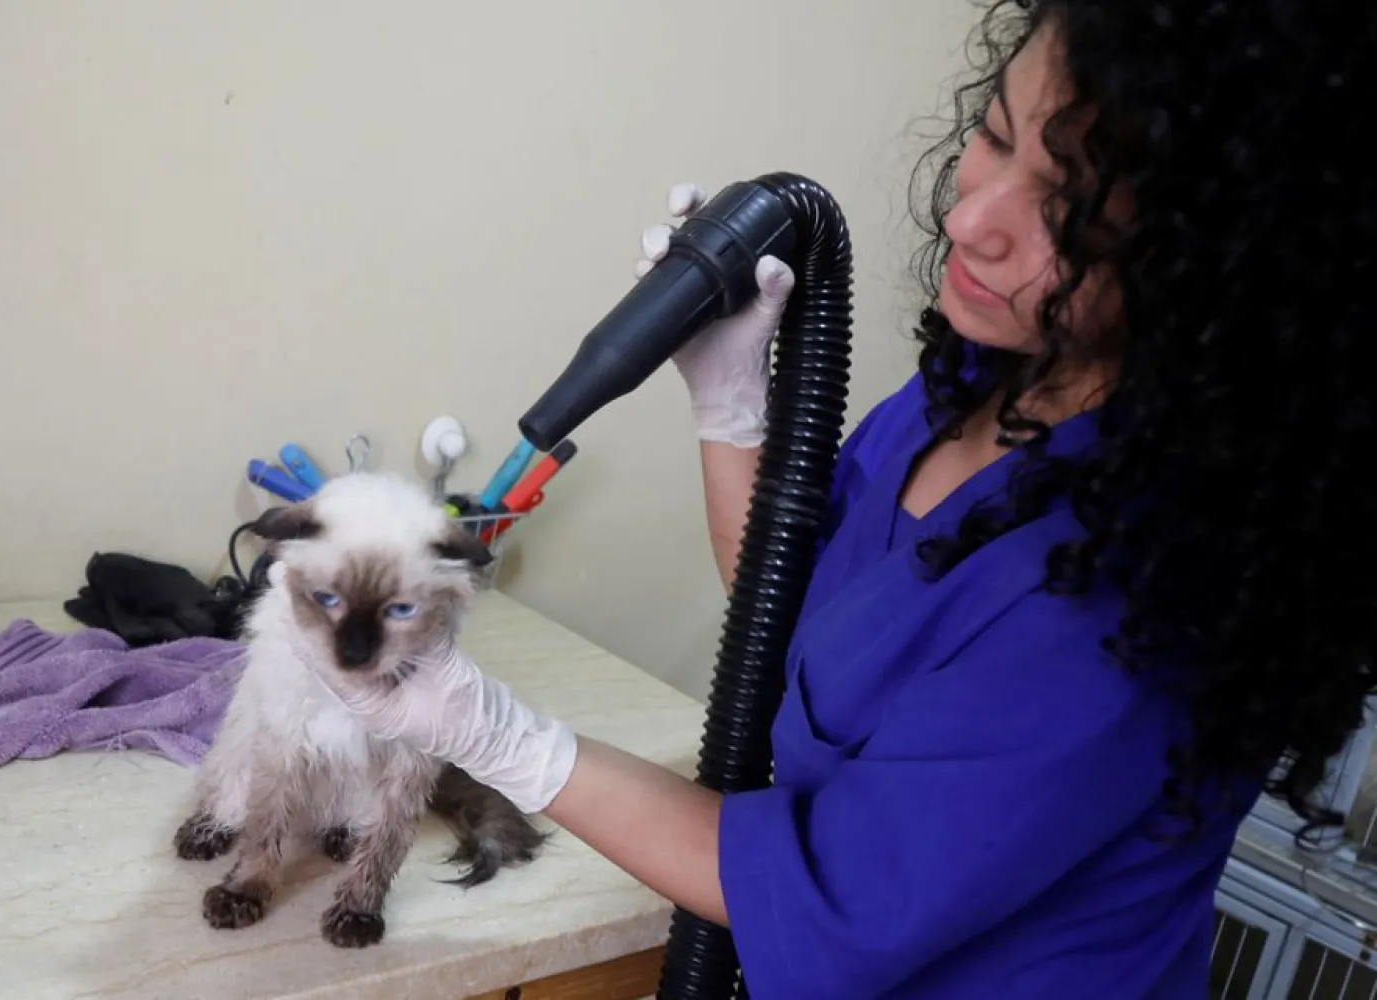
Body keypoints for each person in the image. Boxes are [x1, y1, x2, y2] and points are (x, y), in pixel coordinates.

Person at [326, 2, 1376, 996]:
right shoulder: (984, 389)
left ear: (1209, 269)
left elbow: (831, 900)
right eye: (993, 133)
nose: (971, 217)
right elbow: (798, 611)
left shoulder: (1130, 600)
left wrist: (495, 731)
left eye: (1069, 214)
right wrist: (732, 410)